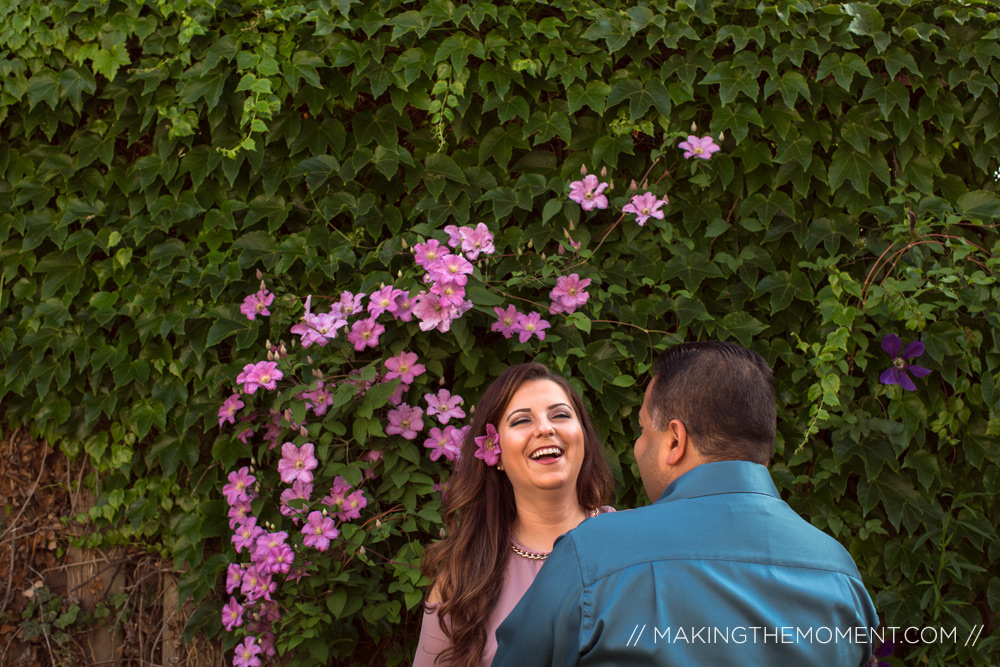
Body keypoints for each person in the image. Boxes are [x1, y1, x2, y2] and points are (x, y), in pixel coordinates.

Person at [493, 341, 880, 666]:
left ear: (675, 441)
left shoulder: (592, 555)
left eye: (644, 429)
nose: (637, 446)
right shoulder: (840, 573)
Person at [413, 362, 614, 667]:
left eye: (560, 415)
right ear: (496, 453)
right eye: (521, 421)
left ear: (582, 437)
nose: (546, 428)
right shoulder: (464, 577)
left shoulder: (631, 544)